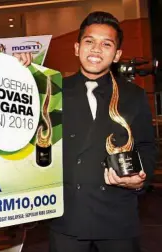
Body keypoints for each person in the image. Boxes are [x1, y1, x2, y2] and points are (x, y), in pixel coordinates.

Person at [14, 11, 156, 252]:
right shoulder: (52, 89)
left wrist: (139, 179)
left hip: (117, 217)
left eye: (106, 44)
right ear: (77, 47)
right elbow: (21, 128)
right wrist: (17, 75)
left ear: (117, 55)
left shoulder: (134, 95)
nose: (96, 49)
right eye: (89, 41)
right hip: (67, 216)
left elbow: (146, 146)